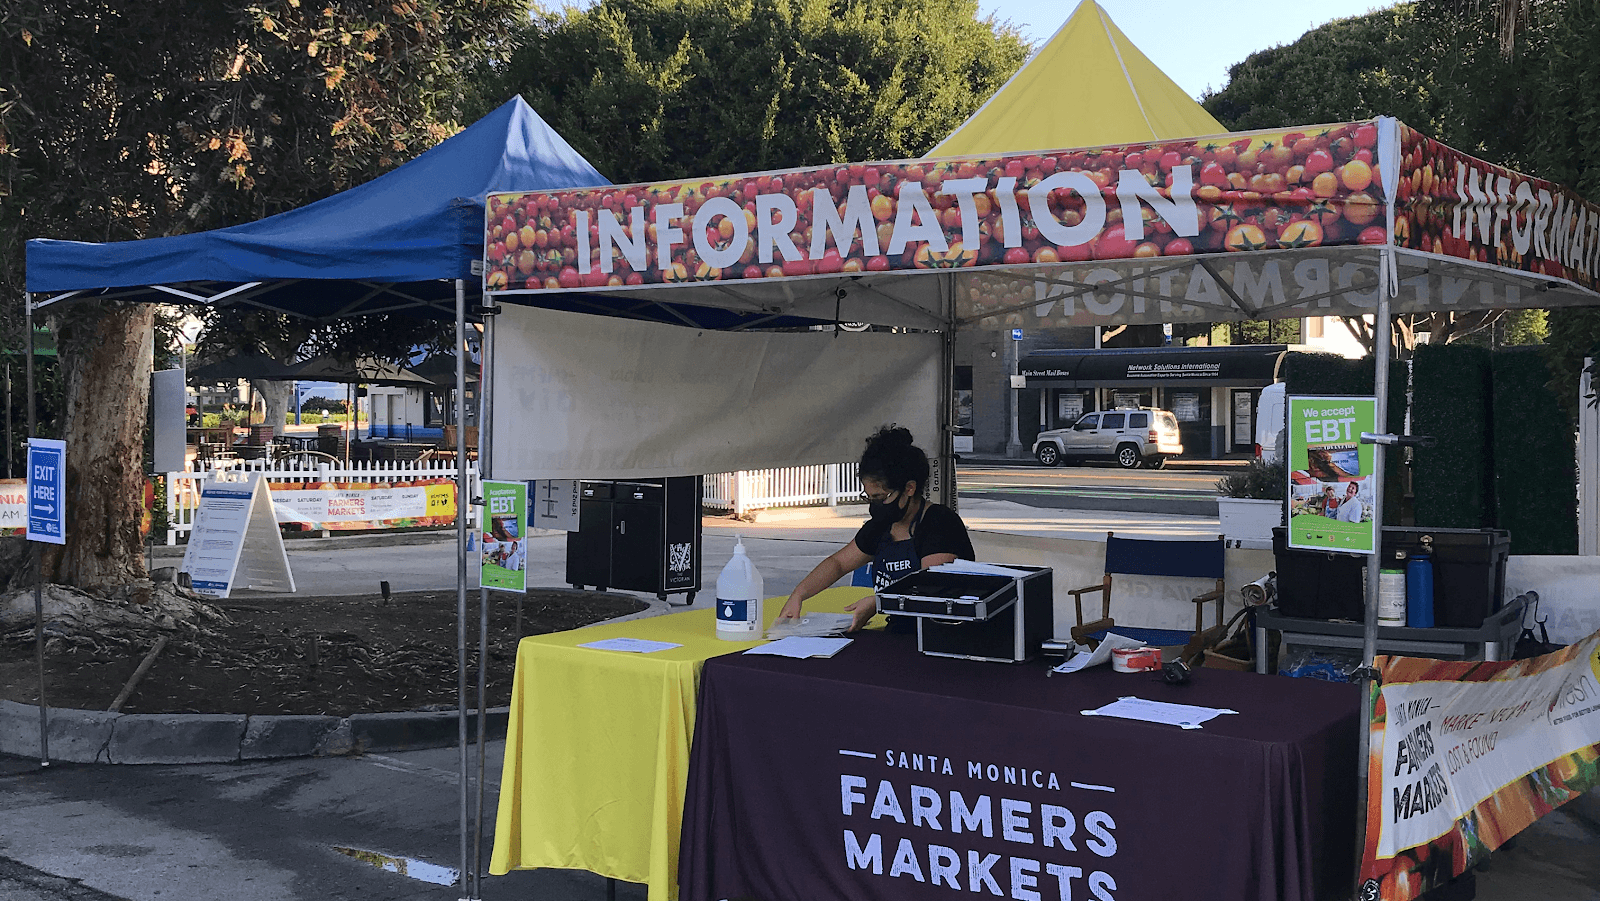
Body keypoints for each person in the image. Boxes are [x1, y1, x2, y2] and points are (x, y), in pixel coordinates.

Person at [776, 426, 974, 631]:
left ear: (909, 488)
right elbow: (838, 564)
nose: (874, 505)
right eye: (869, 498)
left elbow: (930, 587)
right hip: (898, 633)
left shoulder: (940, 523)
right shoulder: (880, 527)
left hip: (944, 636)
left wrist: (879, 603)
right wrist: (798, 595)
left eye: (880, 497)